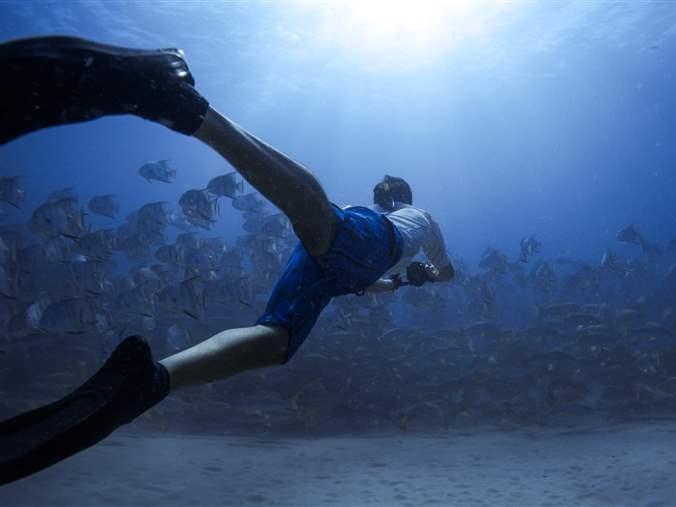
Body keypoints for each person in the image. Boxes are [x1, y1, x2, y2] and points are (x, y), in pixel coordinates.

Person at [0, 36, 454, 484]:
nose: (386, 193)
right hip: (371, 243)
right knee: (323, 220)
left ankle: (152, 382)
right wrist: (429, 275)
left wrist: (399, 285)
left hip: (342, 269)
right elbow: (445, 271)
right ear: (401, 197)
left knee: (277, 340)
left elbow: (362, 282)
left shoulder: (377, 233)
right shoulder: (421, 216)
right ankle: (189, 108)